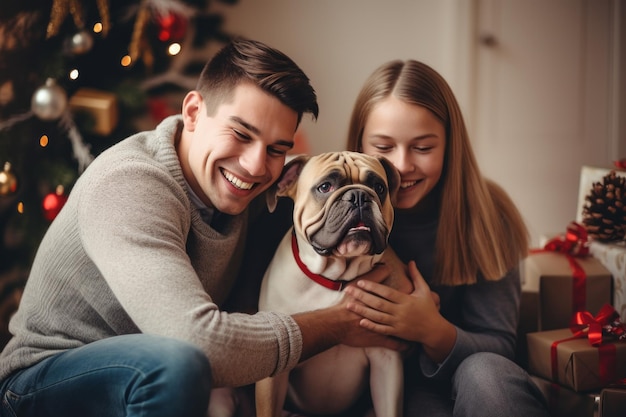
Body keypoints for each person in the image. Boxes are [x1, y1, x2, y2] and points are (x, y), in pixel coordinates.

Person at [0, 38, 402, 417]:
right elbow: (198, 342)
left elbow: (334, 245)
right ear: (193, 111)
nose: (255, 166)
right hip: (40, 381)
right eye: (240, 134)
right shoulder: (128, 185)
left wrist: (408, 306)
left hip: (154, 370)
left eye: (277, 148)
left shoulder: (251, 192)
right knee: (177, 362)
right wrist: (341, 321)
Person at [343, 59, 551, 417]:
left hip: (466, 373)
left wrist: (430, 329)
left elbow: (498, 345)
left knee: (488, 375)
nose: (403, 165)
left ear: (450, 145)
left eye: (423, 148)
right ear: (359, 143)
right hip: (374, 387)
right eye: (383, 147)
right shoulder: (328, 211)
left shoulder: (487, 214)